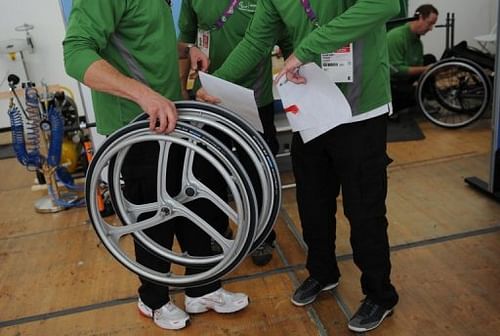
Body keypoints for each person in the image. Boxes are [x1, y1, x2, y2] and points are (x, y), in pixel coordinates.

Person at [197, 0, 400, 332]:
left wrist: (305, 49)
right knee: (312, 202)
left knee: (364, 208)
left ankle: (380, 294)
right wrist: (217, 82)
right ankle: (322, 273)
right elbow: (255, 41)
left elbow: (385, 5)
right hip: (311, 108)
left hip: (360, 109)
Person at [63, 0, 248, 331]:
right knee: (152, 216)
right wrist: (143, 96)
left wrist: (186, 48)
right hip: (136, 122)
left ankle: (201, 289)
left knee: (193, 200)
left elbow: (143, 38)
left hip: (172, 117)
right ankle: (153, 300)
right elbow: (76, 53)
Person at [177, 0, 284, 266]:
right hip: (209, 97)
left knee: (256, 171)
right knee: (208, 170)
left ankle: (261, 236)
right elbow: (186, 41)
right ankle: (218, 231)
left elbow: (286, 38)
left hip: (254, 99)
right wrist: (182, 91)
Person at [387, 4, 439, 119]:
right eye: (430, 23)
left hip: (404, 79)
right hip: (390, 84)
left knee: (430, 59)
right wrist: (426, 70)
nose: (431, 28)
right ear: (419, 18)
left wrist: (425, 73)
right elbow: (395, 71)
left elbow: (418, 66)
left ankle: (420, 99)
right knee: (413, 94)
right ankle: (399, 106)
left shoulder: (417, 42)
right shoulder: (396, 37)